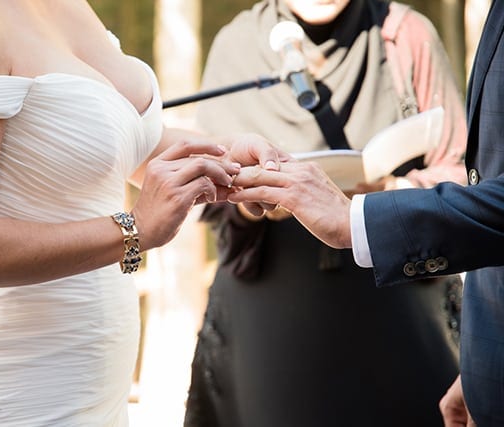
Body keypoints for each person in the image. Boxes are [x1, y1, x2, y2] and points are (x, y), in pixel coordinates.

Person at [0, 1, 285, 425]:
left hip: (95, 390)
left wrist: (225, 156)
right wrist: (135, 229)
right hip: (2, 394)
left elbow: (116, 144)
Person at [185, 1, 467, 426]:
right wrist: (255, 201)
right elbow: (206, 188)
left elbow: (461, 175)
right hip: (272, 316)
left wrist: (387, 193)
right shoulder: (237, 43)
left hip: (396, 309)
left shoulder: (406, 35)